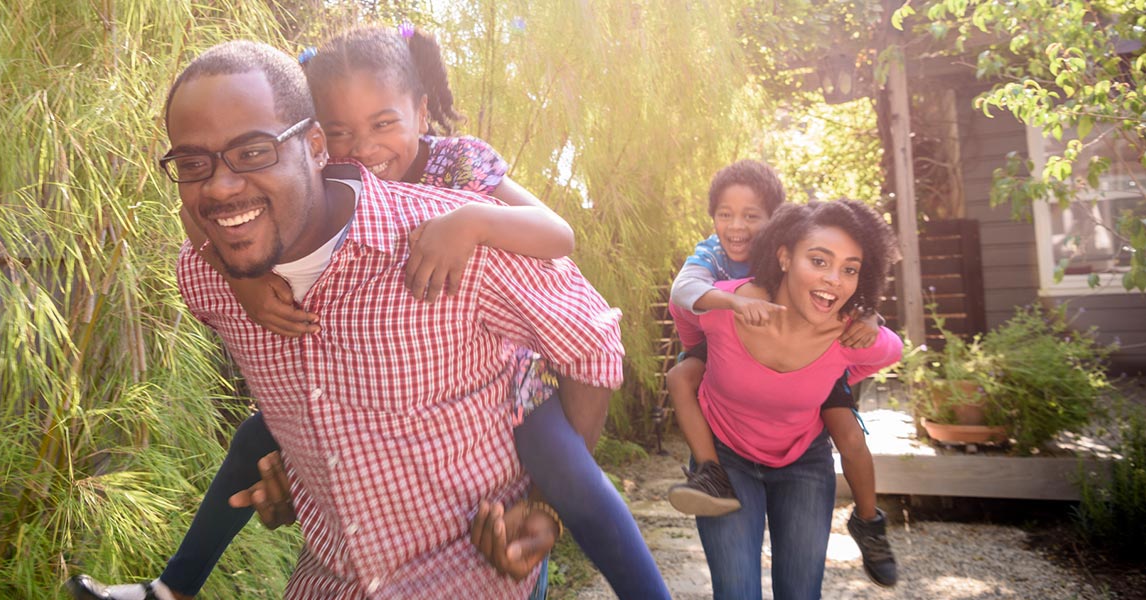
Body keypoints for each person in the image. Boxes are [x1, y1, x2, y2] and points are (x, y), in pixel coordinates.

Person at [68, 39, 626, 599]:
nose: (220, 184)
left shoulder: (455, 224)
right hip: (329, 582)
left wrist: (544, 506)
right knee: (252, 442)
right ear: (325, 138)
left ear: (310, 146)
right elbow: (202, 238)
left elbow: (587, 330)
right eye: (193, 163)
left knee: (580, 486)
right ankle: (172, 587)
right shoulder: (213, 279)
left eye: (254, 151)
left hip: (479, 559)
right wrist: (311, 470)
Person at [661, 161, 898, 587]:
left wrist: (868, 319)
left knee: (848, 433)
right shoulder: (713, 259)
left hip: (806, 432)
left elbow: (871, 327)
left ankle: (868, 520)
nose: (738, 227)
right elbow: (683, 296)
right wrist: (729, 308)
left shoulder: (826, 299)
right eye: (725, 214)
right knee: (681, 378)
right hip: (719, 355)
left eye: (752, 216)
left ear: (774, 224)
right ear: (786, 255)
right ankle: (710, 472)